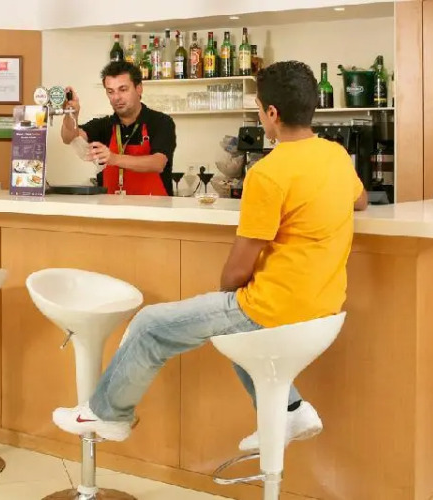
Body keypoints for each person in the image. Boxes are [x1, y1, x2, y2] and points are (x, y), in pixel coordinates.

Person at [53, 60, 369, 451]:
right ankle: (290, 410)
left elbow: (236, 271)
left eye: (259, 108)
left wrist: (226, 297)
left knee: (151, 325)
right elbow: (360, 201)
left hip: (274, 309)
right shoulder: (336, 156)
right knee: (230, 326)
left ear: (271, 113)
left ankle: (109, 415)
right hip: (324, 306)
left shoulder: (269, 173)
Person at [61, 60, 176, 196]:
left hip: (154, 208)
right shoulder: (104, 125)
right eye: (110, 91)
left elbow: (158, 163)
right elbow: (69, 137)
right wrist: (70, 114)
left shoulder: (161, 122)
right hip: (112, 208)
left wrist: (113, 158)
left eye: (123, 89)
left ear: (139, 88)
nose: (116, 97)